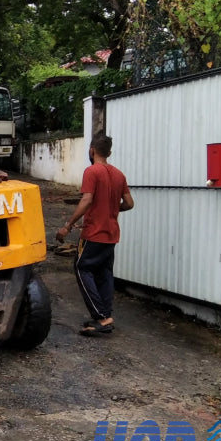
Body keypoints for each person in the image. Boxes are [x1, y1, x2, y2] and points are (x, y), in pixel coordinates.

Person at [55, 133, 134, 336]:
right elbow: (129, 203)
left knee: (82, 268)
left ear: (92, 150)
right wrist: (111, 210)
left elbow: (87, 199)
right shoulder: (119, 174)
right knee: (104, 273)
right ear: (109, 152)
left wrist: (68, 225)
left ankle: (101, 317)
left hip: (93, 234)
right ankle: (105, 314)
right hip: (111, 234)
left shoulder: (92, 171)